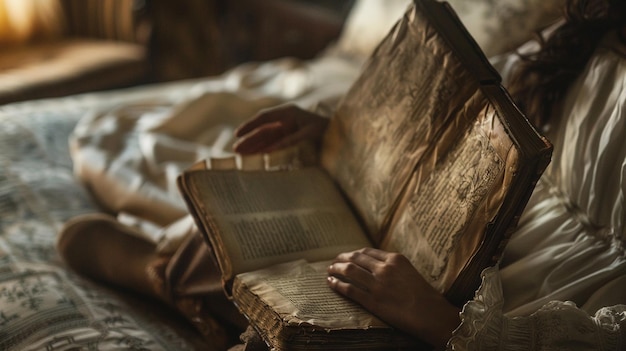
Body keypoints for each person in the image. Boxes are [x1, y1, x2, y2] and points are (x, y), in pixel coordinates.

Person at [57, 0, 626, 349]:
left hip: (526, 307)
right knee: (263, 242)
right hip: (470, 233)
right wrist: (340, 131)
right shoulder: (587, 33)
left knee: (320, 320)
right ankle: (178, 281)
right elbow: (459, 115)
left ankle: (176, 287)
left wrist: (443, 322)